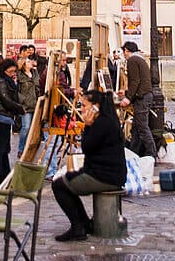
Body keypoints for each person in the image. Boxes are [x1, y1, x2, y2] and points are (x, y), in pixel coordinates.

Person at [51, 90, 127, 242]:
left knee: (59, 185)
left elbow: (86, 146)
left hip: (104, 176)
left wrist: (87, 125)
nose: (81, 109)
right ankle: (83, 223)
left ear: (95, 107)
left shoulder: (101, 123)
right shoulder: (108, 120)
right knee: (67, 180)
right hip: (106, 173)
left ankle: (78, 226)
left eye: (84, 106)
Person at [0, 57, 22, 190]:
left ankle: (3, 176)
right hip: (1, 117)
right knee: (0, 148)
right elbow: (6, 99)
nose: (13, 74)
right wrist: (20, 109)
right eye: (11, 71)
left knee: (4, 148)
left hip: (5, 117)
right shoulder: (0, 82)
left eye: (14, 71)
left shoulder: (6, 80)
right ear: (4, 70)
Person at [118, 41, 155, 157]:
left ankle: (151, 154)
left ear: (126, 50)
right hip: (145, 96)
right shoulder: (140, 59)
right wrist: (126, 92)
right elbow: (139, 81)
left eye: (124, 51)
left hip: (142, 98)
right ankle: (133, 153)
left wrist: (128, 98)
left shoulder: (132, 60)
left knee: (142, 127)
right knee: (136, 128)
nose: (123, 54)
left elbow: (135, 81)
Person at [17, 54, 40, 155]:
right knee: (25, 127)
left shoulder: (35, 73)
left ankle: (29, 148)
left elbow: (38, 87)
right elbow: (16, 90)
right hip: (25, 105)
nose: (30, 62)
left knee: (32, 128)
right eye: (28, 62)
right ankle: (21, 148)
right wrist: (22, 100)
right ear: (23, 65)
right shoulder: (19, 75)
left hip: (35, 104)